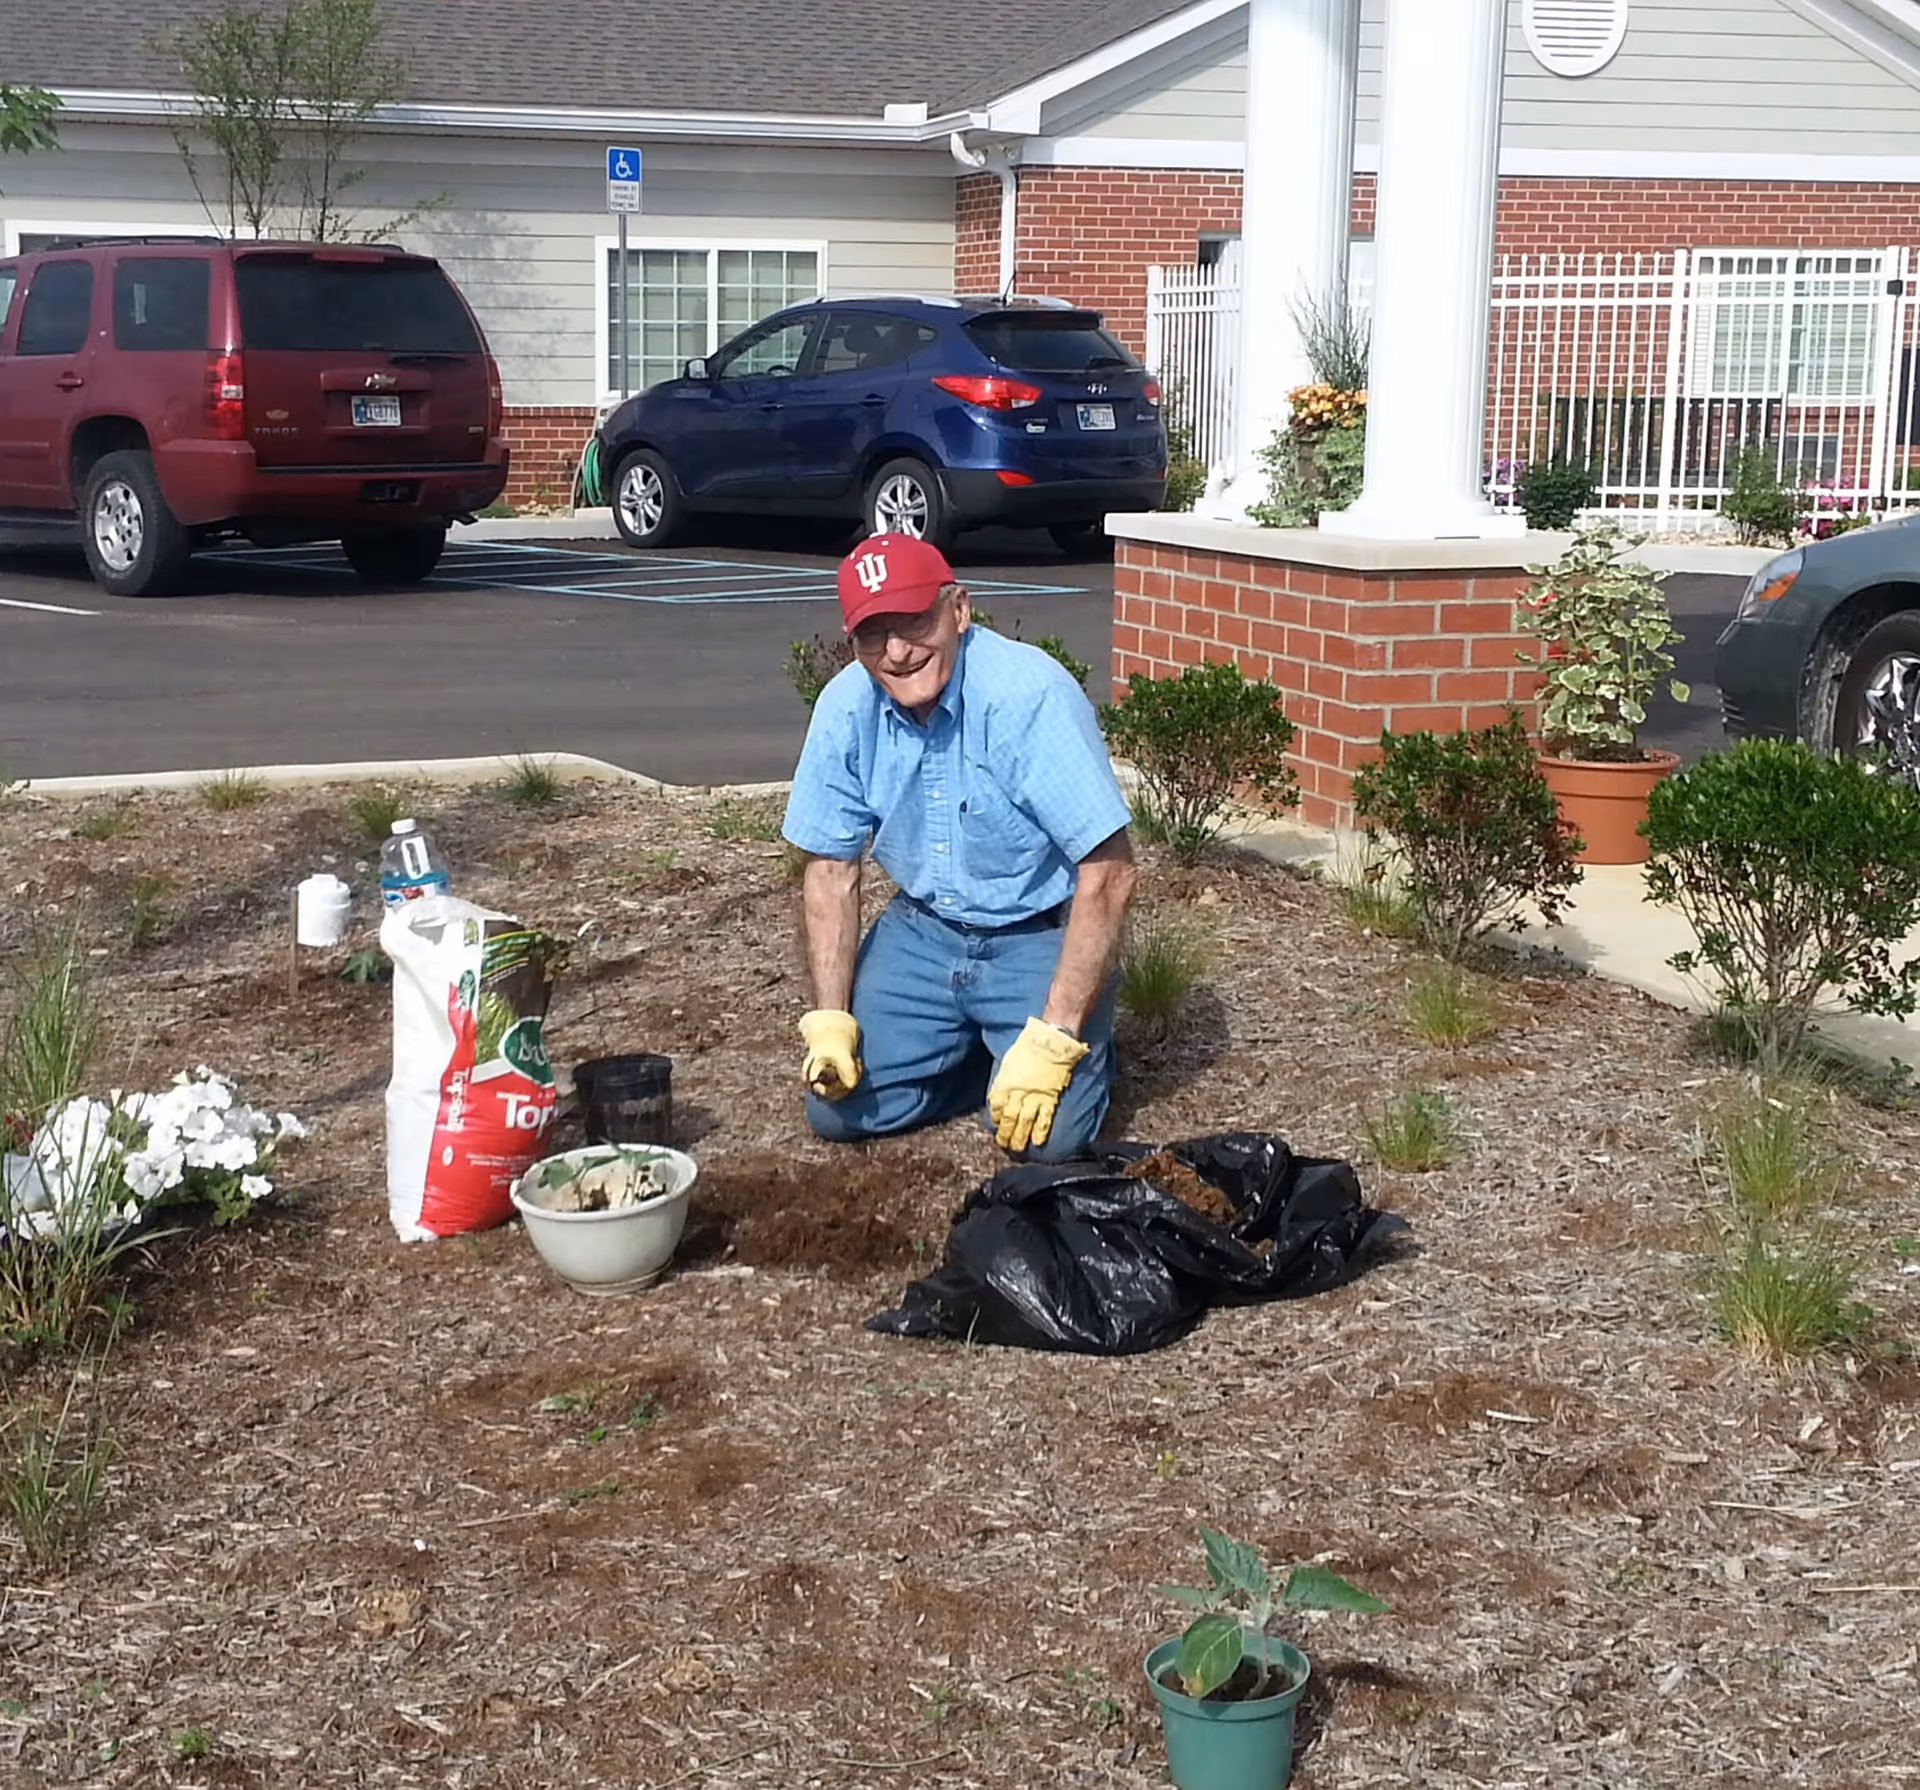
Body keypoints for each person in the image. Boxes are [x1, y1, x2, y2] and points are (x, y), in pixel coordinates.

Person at [781, 533, 1137, 1161]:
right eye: (874, 633)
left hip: (1036, 933)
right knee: (834, 1105)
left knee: (1046, 1143)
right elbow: (831, 868)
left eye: (916, 621)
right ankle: (983, 1058)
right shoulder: (846, 707)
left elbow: (1108, 871)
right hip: (924, 933)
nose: (897, 652)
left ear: (960, 609)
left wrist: (1054, 1036)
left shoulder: (1027, 697)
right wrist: (831, 1018)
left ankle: (1065, 1051)